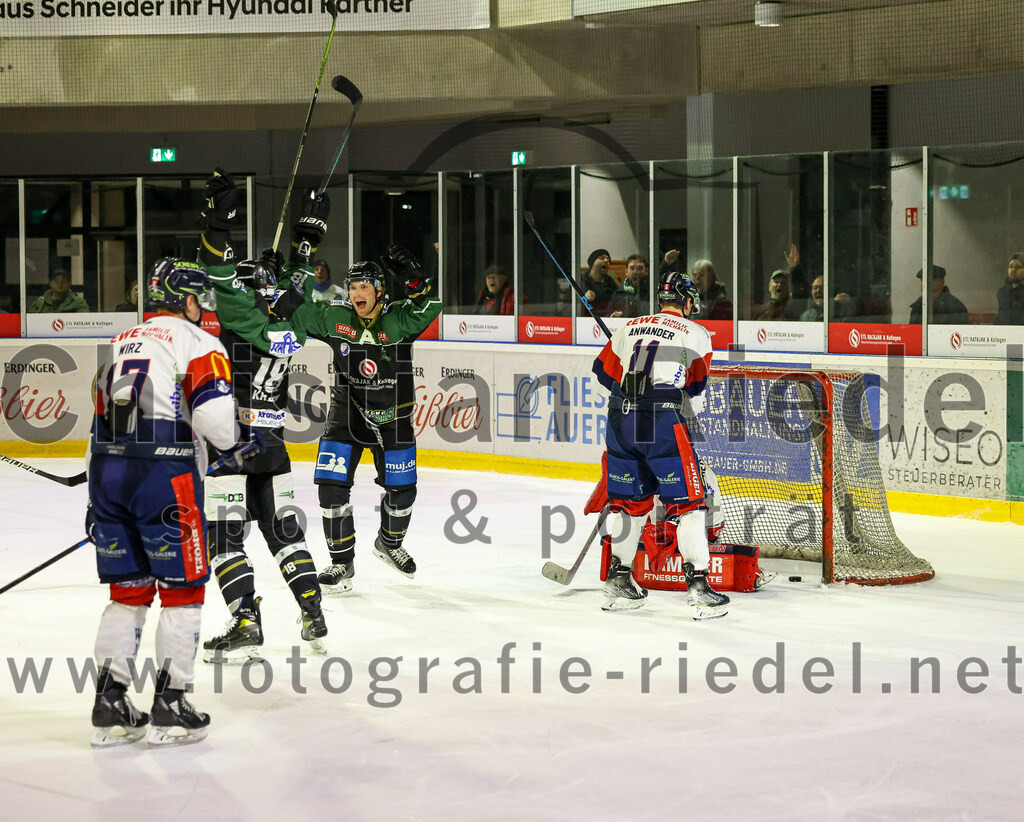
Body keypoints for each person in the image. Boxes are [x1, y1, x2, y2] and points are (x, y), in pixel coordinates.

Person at [86, 257, 258, 748]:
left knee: (128, 592)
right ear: (188, 300)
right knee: (183, 591)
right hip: (163, 475)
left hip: (107, 472)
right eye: (202, 298)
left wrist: (98, 500)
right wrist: (235, 446)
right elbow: (215, 419)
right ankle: (171, 702)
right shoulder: (198, 340)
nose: (206, 307)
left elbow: (101, 414)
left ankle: (110, 700)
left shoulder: (122, 340)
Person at [194, 170, 329, 660]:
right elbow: (296, 284)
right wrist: (308, 239)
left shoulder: (241, 318)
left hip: (232, 446)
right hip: (272, 445)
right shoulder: (292, 321)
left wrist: (218, 222)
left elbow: (220, 275)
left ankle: (245, 619)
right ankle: (313, 611)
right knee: (283, 531)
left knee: (226, 539)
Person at [294, 248, 442, 592]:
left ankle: (389, 545)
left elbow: (430, 306)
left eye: (364, 287)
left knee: (403, 493)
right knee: (331, 491)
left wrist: (413, 279)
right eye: (353, 287)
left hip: (393, 419)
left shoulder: (399, 320)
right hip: (346, 416)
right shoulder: (335, 319)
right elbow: (298, 312)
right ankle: (341, 563)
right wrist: (279, 282)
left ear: (379, 291)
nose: (356, 293)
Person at [590, 271, 729, 619]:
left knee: (630, 504)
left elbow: (604, 374)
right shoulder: (697, 333)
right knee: (690, 504)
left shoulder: (628, 327)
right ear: (686, 300)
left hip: (620, 420)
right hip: (662, 420)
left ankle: (620, 580)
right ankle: (699, 588)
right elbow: (695, 385)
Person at [579, 248, 618, 316]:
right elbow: (567, 307)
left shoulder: (611, 283)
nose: (606, 261)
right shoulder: (580, 281)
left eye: (608, 260)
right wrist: (584, 300)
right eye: (602, 258)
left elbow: (617, 303)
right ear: (592, 263)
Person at [996, 253, 1024, 325]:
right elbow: (1001, 315)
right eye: (1010, 266)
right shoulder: (1003, 292)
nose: (1013, 270)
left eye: (1018, 267)